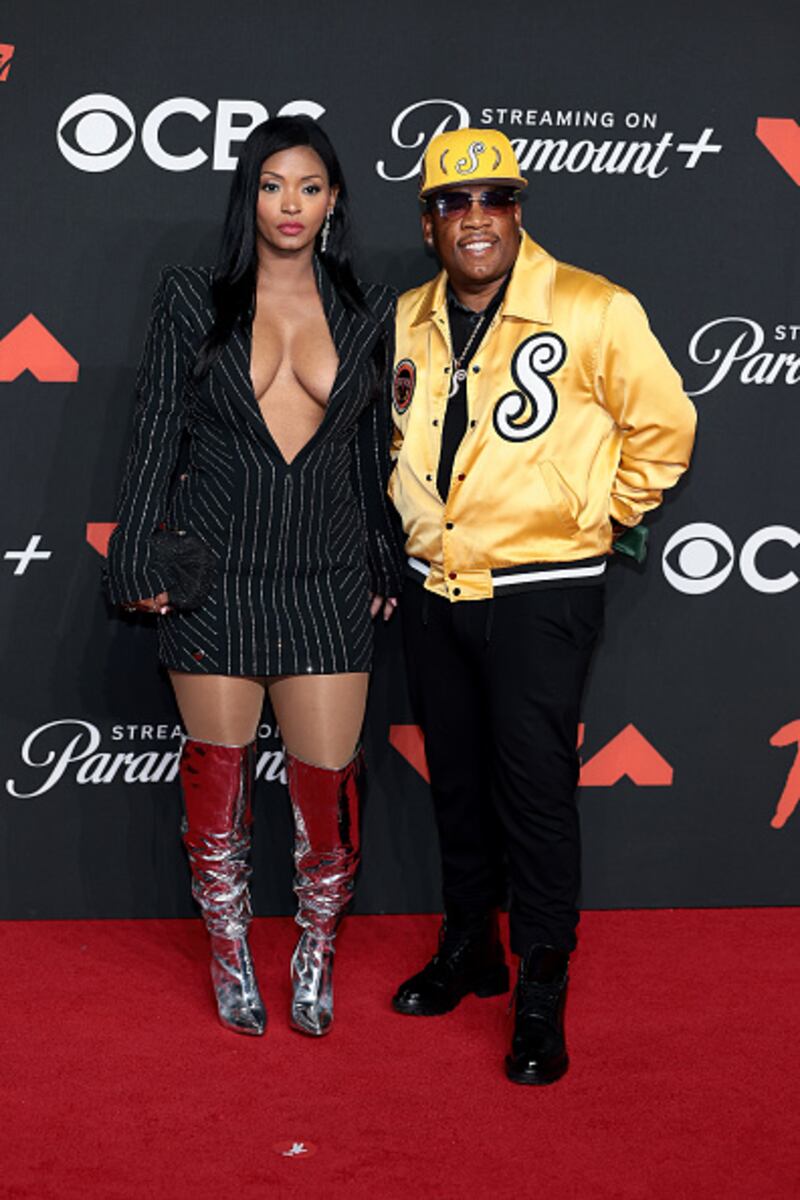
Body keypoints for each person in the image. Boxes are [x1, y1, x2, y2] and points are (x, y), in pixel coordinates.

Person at [388, 128, 696, 1084]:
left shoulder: (595, 306)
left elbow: (666, 426)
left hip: (542, 588)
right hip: (435, 583)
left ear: (519, 211)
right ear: (429, 224)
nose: (474, 217)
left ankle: (541, 987)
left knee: (534, 794)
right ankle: (471, 945)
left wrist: (598, 515)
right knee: (457, 782)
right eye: (452, 202)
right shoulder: (405, 317)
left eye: (494, 198)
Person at [106, 116, 401, 1039]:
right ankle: (230, 947)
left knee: (330, 790)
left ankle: (316, 949)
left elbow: (372, 453)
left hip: (325, 577)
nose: (290, 205)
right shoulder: (192, 296)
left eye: (309, 187)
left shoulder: (369, 307)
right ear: (250, 195)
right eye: (273, 185)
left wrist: (383, 550)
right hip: (217, 576)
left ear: (334, 200)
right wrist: (136, 551)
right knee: (218, 787)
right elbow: (156, 430)